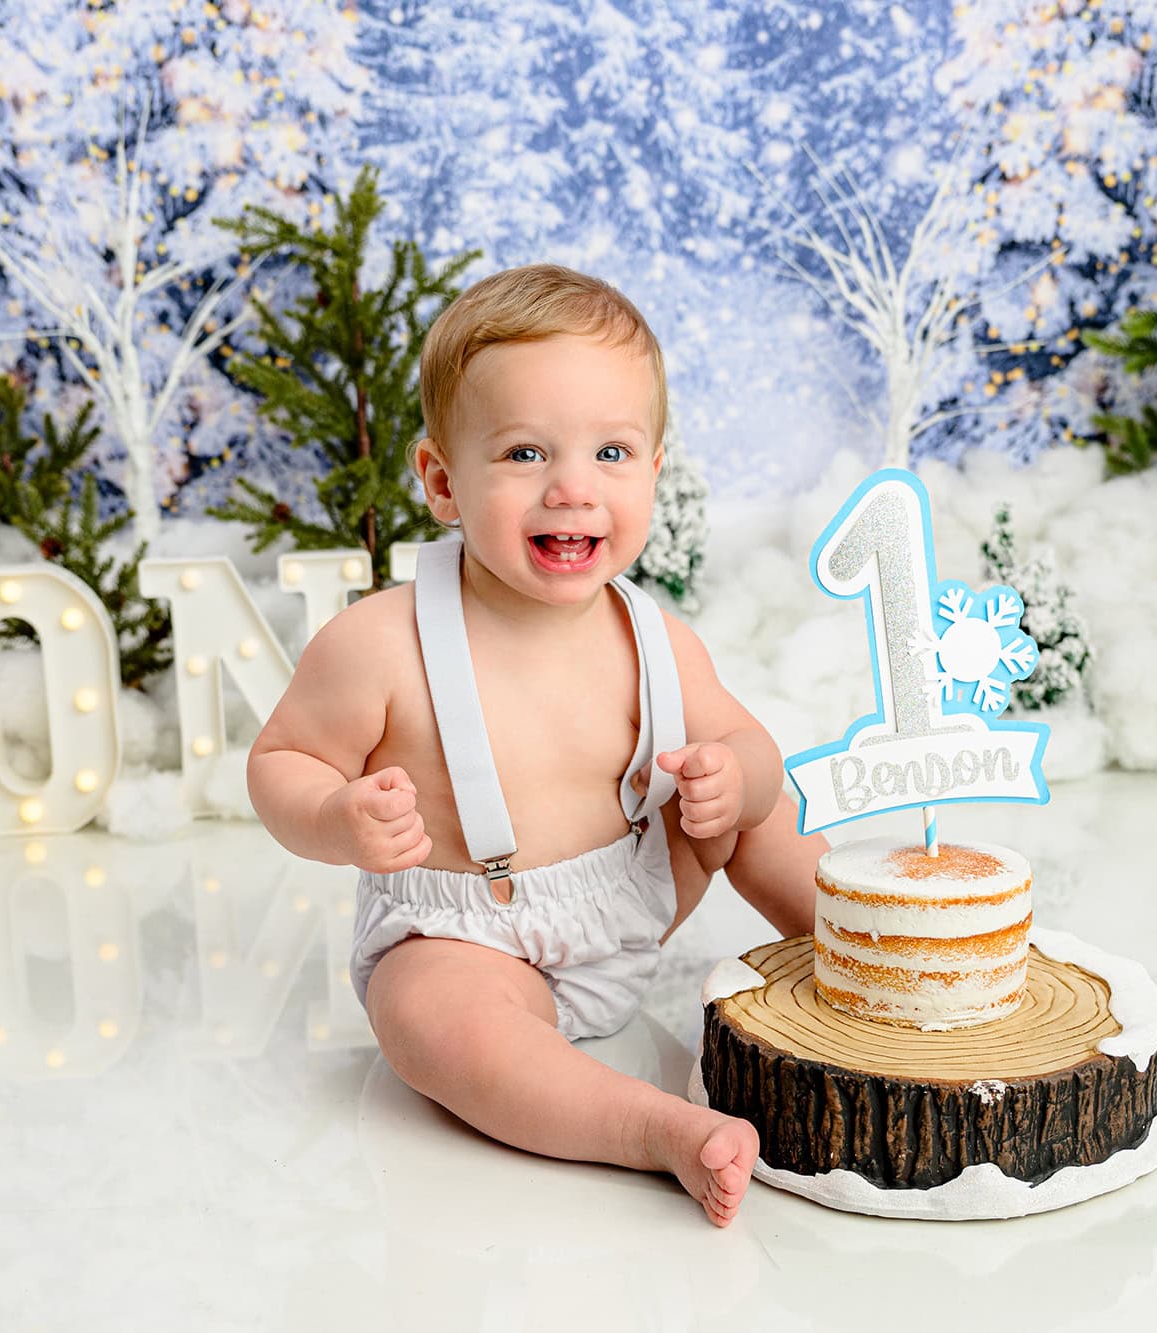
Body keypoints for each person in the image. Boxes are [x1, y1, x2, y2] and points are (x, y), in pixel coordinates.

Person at [247, 263, 830, 1227]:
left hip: (632, 890)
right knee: (433, 1023)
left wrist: (736, 778)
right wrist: (331, 814)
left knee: (758, 806)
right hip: (465, 933)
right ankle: (650, 1128)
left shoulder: (652, 634)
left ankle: (872, 951)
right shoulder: (380, 643)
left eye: (611, 451)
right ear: (442, 480)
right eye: (524, 454)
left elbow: (746, 739)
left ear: (653, 470)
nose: (572, 488)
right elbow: (280, 762)